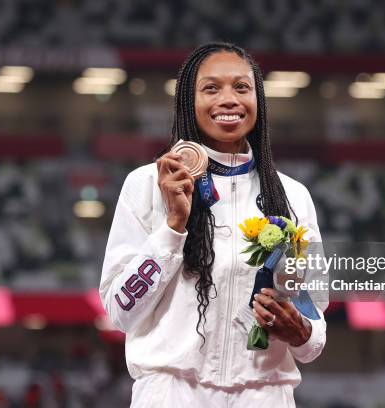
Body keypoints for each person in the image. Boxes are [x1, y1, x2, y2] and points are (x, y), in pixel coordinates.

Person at [100, 42, 327, 407]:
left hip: (264, 393)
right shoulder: (147, 185)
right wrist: (173, 227)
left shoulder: (293, 197)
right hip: (171, 391)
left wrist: (301, 333)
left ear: (258, 100)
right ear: (188, 102)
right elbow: (121, 311)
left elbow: (314, 323)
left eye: (241, 87)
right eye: (211, 88)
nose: (229, 99)